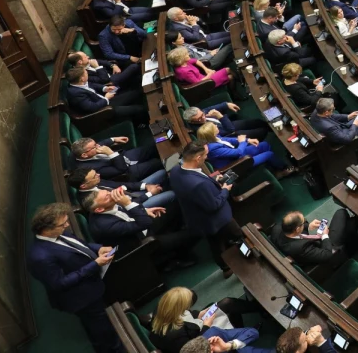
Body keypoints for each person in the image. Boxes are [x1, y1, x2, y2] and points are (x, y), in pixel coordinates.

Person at [27, 203, 122, 353]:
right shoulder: (40, 257)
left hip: (92, 285)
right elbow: (60, 283)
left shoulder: (58, 233)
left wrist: (98, 248)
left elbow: (78, 245)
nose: (67, 225)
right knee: (102, 332)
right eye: (63, 224)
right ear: (46, 229)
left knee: (97, 325)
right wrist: (95, 265)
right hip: (81, 298)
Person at [170, 141, 241, 274]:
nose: (206, 158)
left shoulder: (175, 171)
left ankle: (225, 268)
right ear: (198, 158)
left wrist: (213, 182)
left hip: (196, 216)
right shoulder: (198, 185)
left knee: (215, 244)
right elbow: (213, 206)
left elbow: (198, 184)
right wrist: (225, 190)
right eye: (205, 155)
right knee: (237, 235)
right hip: (217, 219)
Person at [82, 187, 193, 268]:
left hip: (139, 227)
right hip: (140, 244)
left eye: (108, 192)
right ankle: (171, 260)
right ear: (99, 210)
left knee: (173, 207)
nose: (112, 194)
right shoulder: (105, 226)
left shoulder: (106, 205)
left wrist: (144, 211)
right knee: (194, 232)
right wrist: (128, 204)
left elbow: (132, 210)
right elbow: (145, 223)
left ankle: (178, 246)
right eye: (107, 196)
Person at [150, 286, 264, 353]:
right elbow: (195, 348)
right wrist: (206, 326)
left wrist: (198, 314)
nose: (189, 308)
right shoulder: (175, 337)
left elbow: (186, 314)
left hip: (196, 326)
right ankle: (240, 337)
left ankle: (260, 308)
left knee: (227, 302)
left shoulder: (162, 308)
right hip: (202, 338)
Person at [271, 209, 358, 270]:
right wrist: (325, 235)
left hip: (307, 247)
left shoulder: (277, 229)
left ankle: (352, 235)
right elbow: (327, 254)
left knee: (350, 224)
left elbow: (295, 229)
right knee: (341, 213)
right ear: (297, 229)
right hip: (326, 249)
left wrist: (308, 226)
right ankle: (352, 245)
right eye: (303, 222)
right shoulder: (302, 248)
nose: (305, 222)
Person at [65, 65, 147, 121]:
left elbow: (92, 85)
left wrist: (105, 88)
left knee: (137, 92)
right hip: (104, 110)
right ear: (82, 79)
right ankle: (141, 123)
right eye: (86, 73)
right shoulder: (75, 95)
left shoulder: (78, 82)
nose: (88, 74)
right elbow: (92, 107)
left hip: (104, 99)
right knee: (140, 108)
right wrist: (106, 98)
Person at [169, 45, 234, 91]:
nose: (188, 54)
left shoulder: (184, 62)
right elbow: (198, 83)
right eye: (186, 54)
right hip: (206, 83)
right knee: (228, 70)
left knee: (230, 76)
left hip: (205, 77)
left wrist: (206, 69)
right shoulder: (184, 72)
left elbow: (196, 61)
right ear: (181, 59)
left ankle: (235, 89)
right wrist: (210, 74)